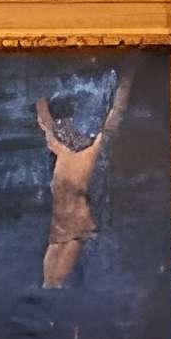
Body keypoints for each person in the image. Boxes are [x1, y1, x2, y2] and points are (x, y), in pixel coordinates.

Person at [33, 70, 133, 289]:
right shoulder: (60, 150)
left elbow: (114, 118)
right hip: (58, 226)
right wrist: (37, 87)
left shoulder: (91, 152)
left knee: (56, 282)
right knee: (48, 281)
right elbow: (46, 122)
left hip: (78, 225)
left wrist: (126, 82)